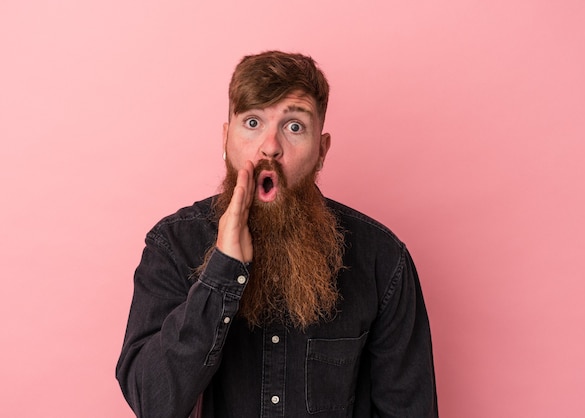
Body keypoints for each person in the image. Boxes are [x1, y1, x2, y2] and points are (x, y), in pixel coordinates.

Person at [116, 50, 438, 418]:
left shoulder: (382, 259)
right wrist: (222, 272)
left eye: (294, 126)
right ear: (226, 139)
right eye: (252, 122)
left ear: (322, 151)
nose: (270, 146)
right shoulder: (172, 245)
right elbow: (153, 403)